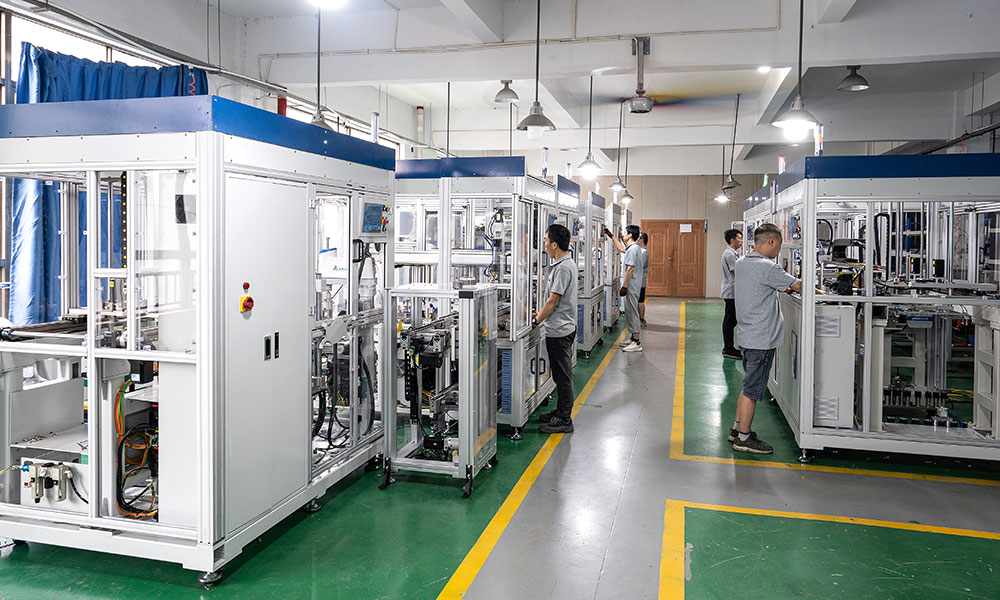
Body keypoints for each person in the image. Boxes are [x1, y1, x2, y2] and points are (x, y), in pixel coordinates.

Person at [730, 223, 813, 454]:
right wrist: (826, 295)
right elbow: (799, 286)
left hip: (747, 335)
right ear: (772, 241)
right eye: (779, 245)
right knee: (752, 391)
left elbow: (764, 286)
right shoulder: (768, 267)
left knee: (747, 386)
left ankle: (736, 429)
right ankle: (743, 439)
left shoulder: (742, 262)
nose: (778, 251)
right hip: (762, 339)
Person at [535, 223, 579, 433]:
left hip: (559, 329)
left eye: (546, 241)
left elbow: (553, 302)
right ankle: (561, 410)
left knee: (563, 376)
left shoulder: (562, 268)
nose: (544, 245)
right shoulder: (566, 263)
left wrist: (536, 321)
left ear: (554, 244)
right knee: (560, 375)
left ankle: (564, 419)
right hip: (564, 326)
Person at [617, 225, 643, 352]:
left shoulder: (633, 249)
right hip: (633, 285)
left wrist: (624, 286)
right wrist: (613, 236)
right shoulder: (633, 248)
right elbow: (622, 248)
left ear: (630, 235)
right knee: (630, 311)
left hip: (631, 286)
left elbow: (630, 268)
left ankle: (636, 342)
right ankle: (632, 338)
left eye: (624, 232)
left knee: (632, 312)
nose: (623, 234)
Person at [721, 228, 743, 359]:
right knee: (730, 321)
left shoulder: (732, 253)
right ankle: (728, 349)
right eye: (739, 238)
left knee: (731, 320)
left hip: (733, 291)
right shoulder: (730, 255)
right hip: (731, 292)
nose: (741, 241)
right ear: (732, 240)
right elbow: (738, 271)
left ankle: (729, 347)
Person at [638, 232, 650, 326]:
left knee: (640, 301)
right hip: (639, 281)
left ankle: (642, 319)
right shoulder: (641, 250)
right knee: (639, 300)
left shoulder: (643, 252)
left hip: (640, 282)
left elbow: (639, 265)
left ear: (641, 240)